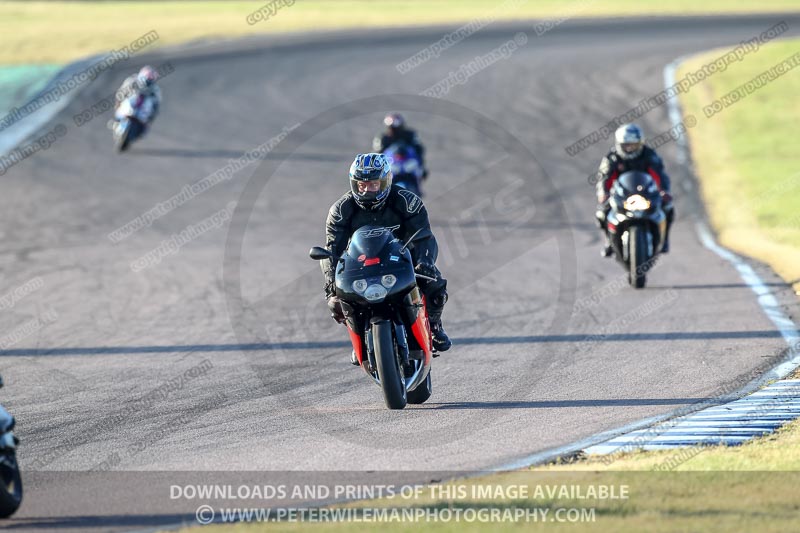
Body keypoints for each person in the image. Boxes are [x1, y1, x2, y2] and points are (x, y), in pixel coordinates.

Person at [321, 153, 451, 360]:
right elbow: (331, 249)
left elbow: (424, 235)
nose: (367, 190)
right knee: (338, 299)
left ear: (386, 181)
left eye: (373, 184)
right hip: (361, 265)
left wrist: (423, 261)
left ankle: (434, 326)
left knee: (433, 282)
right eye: (361, 185)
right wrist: (330, 287)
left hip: (400, 261)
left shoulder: (407, 201)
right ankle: (360, 338)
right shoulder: (340, 210)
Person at [595, 123, 674, 256]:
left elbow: (659, 174)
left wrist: (664, 191)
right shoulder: (612, 158)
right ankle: (609, 240)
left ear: (640, 143)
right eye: (626, 145)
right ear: (619, 144)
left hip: (646, 193)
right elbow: (604, 177)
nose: (630, 149)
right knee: (602, 212)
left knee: (668, 207)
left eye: (634, 145)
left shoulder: (649, 155)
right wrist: (603, 193)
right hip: (621, 194)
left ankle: (664, 239)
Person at [372, 113, 427, 178]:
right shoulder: (382, 138)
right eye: (391, 128)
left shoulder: (410, 135)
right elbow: (377, 154)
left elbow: (419, 149)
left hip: (409, 164)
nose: (394, 131)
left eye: (396, 128)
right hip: (391, 166)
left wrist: (421, 167)